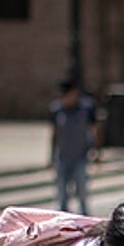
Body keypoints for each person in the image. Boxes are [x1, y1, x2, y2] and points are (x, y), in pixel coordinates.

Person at [49, 80, 100, 214]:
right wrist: (51, 155)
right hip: (63, 156)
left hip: (80, 156)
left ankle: (85, 218)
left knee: (82, 191)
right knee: (61, 193)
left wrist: (97, 150)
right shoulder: (57, 110)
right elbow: (54, 133)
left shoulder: (87, 109)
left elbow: (95, 130)